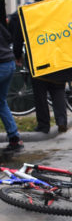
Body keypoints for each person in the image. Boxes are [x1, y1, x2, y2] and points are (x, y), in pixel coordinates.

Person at [9, 0, 68, 134]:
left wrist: (17, 55)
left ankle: (44, 125)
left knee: (39, 92)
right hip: (56, 54)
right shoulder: (54, 9)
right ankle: (61, 120)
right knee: (58, 88)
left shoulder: (27, 12)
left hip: (36, 57)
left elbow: (18, 36)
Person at [0, 23, 23, 152]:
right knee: (1, 102)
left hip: (1, 65)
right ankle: (14, 138)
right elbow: (9, 37)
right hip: (9, 63)